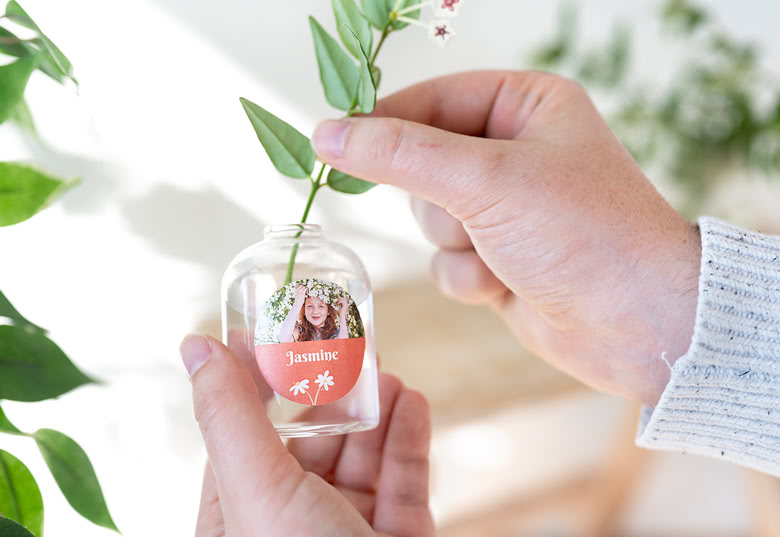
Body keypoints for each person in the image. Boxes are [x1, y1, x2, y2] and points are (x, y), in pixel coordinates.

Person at [180, 70, 780, 535]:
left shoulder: (330, 298)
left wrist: (668, 316)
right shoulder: (286, 294)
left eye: (317, 310)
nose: (313, 313)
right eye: (308, 311)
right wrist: (674, 316)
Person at [278, 284, 350, 342]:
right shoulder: (300, 331)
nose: (315, 311)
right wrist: (298, 302)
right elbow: (284, 339)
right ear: (304, 311)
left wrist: (342, 314)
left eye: (321, 306)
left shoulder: (334, 332)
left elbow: (343, 343)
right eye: (310, 306)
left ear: (328, 311)